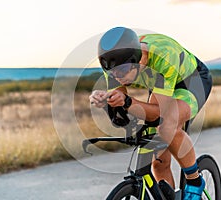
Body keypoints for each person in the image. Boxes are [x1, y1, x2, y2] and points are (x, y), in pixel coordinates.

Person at [89, 27, 212, 200]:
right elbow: (120, 99)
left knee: (167, 125)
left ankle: (194, 181)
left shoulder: (163, 56)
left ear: (137, 60)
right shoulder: (114, 62)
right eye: (112, 73)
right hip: (160, 86)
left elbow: (155, 114)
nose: (117, 77)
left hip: (191, 81)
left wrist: (127, 101)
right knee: (157, 160)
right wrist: (107, 102)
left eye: (122, 72)